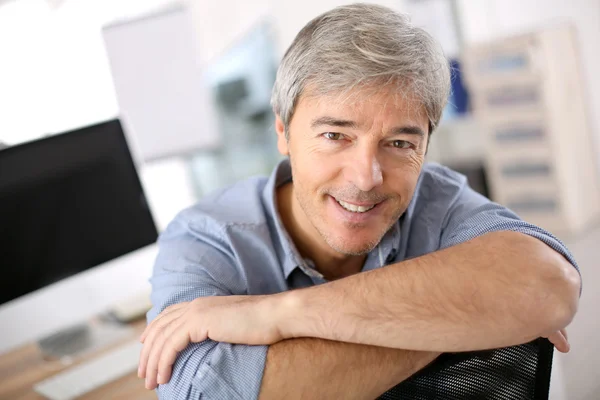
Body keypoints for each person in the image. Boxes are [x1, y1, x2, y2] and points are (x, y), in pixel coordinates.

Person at [137, 3, 582, 399]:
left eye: (400, 143)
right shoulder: (204, 236)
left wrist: (276, 314)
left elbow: (548, 286)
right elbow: (197, 391)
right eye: (335, 136)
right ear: (283, 131)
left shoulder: (437, 200)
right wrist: (463, 319)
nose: (366, 178)